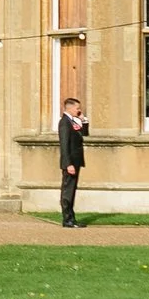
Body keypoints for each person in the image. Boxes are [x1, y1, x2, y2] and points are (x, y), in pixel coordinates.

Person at [56, 97, 88, 228]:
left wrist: (83, 120)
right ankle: (67, 219)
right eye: (77, 108)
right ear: (70, 108)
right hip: (70, 162)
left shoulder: (72, 121)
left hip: (76, 161)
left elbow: (84, 134)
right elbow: (64, 145)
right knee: (68, 190)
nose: (79, 110)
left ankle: (72, 218)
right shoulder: (64, 122)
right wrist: (68, 164)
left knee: (72, 189)